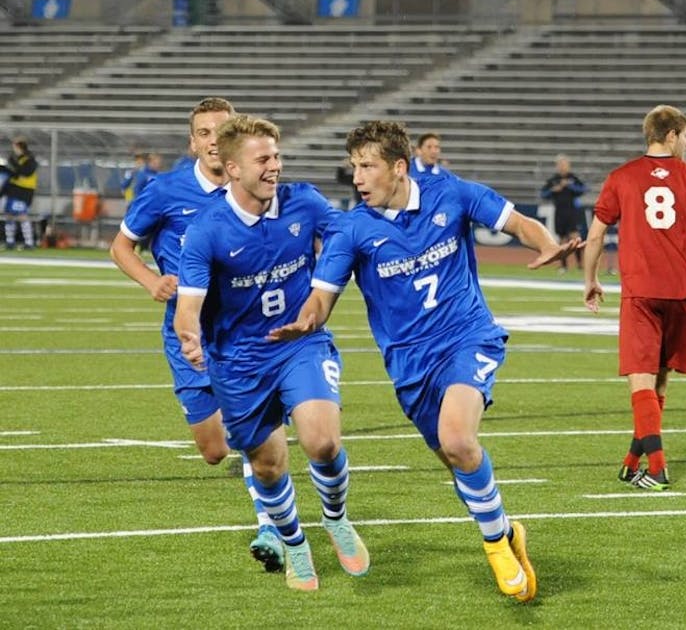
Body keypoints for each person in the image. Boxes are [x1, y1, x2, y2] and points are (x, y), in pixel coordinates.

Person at [268, 119, 577, 602]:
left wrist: (549, 246)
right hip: (410, 368)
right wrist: (302, 323)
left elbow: (517, 222)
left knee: (458, 438)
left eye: (367, 166)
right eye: (354, 167)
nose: (358, 178)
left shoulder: (450, 194)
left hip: (466, 337)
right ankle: (507, 530)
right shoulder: (352, 230)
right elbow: (321, 300)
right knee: (458, 462)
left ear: (398, 166)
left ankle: (495, 543)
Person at [174, 114, 366, 592]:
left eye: (277, 156)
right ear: (234, 168)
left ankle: (336, 518)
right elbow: (188, 306)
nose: (274, 166)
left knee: (323, 441)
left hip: (301, 342)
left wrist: (323, 293)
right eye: (263, 159)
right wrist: (189, 337)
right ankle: (296, 545)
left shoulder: (305, 202)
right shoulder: (206, 230)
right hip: (238, 361)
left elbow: (348, 236)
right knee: (268, 464)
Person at [110, 98, 287, 575]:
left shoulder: (253, 187)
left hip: (242, 332)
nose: (212, 139)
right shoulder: (164, 192)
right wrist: (152, 281)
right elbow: (121, 246)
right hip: (185, 333)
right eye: (204, 132)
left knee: (253, 431)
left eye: (221, 131)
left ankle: (270, 524)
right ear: (193, 142)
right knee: (213, 451)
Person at [581, 104, 686, 491]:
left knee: (640, 383)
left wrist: (590, 278)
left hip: (641, 293)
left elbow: (595, 235)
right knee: (659, 383)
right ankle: (631, 461)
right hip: (682, 294)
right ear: (670, 135)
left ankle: (657, 469)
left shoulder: (622, 177)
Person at [540, 153, 587, 273]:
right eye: (560, 164)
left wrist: (570, 187)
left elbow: (583, 189)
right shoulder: (553, 180)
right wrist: (554, 190)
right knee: (562, 239)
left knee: (575, 238)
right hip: (559, 212)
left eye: (564, 164)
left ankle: (580, 264)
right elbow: (543, 194)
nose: (562, 167)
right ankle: (564, 266)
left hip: (572, 211)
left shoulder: (573, 178)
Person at [4, 136, 39, 250]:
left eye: (15, 146)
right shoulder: (18, 159)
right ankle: (10, 241)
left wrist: (13, 163)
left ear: (19, 147)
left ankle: (29, 242)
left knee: (21, 215)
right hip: (14, 190)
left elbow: (25, 172)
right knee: (9, 215)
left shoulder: (29, 159)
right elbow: (14, 174)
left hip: (23, 191)